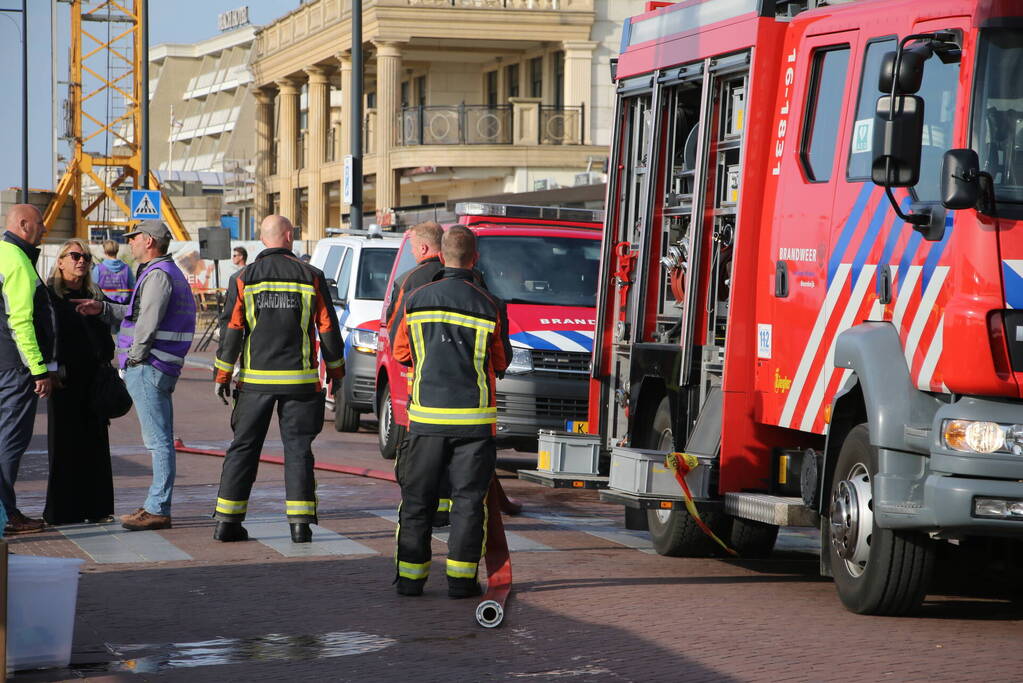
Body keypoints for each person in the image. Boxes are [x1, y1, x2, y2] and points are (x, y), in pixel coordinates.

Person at [211, 215, 344, 544]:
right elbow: (327, 328)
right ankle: (300, 525)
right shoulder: (312, 276)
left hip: (255, 383)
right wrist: (337, 372)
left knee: (243, 448)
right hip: (300, 383)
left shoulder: (244, 278)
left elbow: (232, 331)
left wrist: (222, 375)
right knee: (298, 450)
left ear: (262, 239)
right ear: (289, 237)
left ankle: (227, 522)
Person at [391, 225, 508, 598]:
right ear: (475, 259)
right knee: (469, 503)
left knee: (417, 500)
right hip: (474, 424)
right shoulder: (490, 304)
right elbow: (500, 361)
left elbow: (400, 353)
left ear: (441, 256)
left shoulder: (416, 297)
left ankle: (410, 580)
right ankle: (460, 582)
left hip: (425, 420)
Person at [75, 220, 196, 531]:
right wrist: (101, 309)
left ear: (149, 241)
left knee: (157, 442)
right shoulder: (164, 272)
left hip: (150, 366)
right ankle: (156, 505)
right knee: (160, 440)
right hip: (159, 365)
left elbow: (147, 324)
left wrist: (132, 359)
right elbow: (136, 314)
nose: (130, 244)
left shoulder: (157, 275)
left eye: (135, 238)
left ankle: (157, 508)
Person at [44, 239, 115, 525]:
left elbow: (106, 333)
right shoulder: (49, 296)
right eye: (74, 255)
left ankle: (97, 508)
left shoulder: (94, 294)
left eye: (86, 256)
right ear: (60, 261)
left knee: (95, 443)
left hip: (94, 378)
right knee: (64, 443)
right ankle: (63, 511)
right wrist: (48, 370)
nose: (81, 261)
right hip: (63, 378)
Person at [0, 205, 55, 535]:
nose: (44, 229)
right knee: (9, 442)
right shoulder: (18, 262)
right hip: (15, 369)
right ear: (23, 225)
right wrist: (38, 369)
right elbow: (20, 321)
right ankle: (7, 514)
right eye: (40, 223)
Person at [93, 239, 135, 304]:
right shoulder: (127, 268)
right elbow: (132, 288)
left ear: (104, 251)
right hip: (123, 305)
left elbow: (93, 289)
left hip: (104, 305)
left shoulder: (98, 269)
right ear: (117, 250)